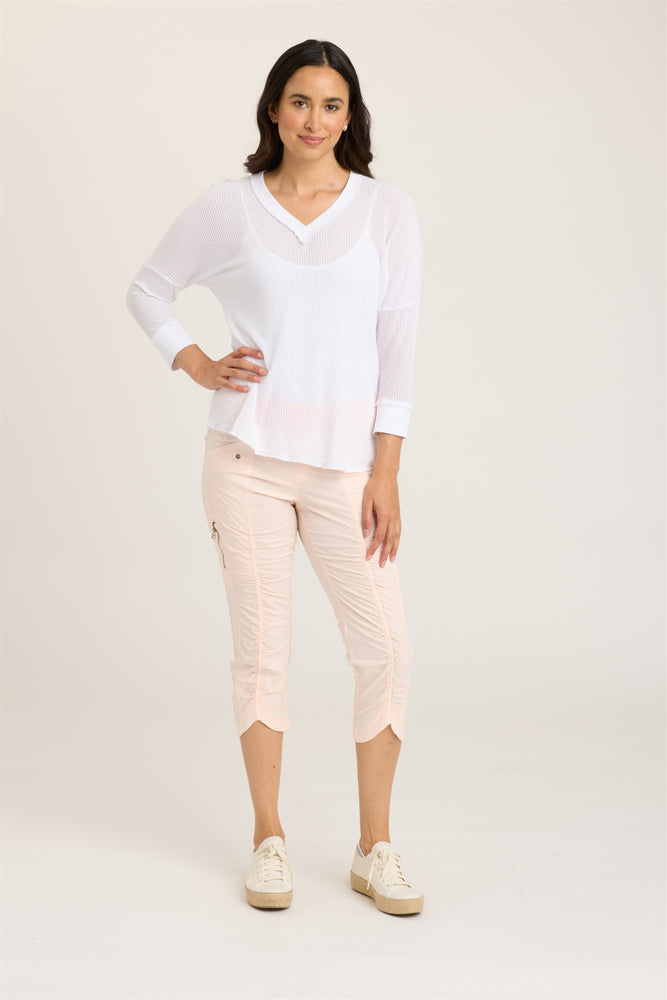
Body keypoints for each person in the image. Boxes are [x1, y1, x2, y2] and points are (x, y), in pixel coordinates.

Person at [126, 38, 423, 916]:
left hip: (346, 474)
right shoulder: (231, 206)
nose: (314, 120)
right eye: (299, 101)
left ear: (350, 116)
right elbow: (147, 289)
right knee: (262, 653)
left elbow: (397, 349)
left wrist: (386, 469)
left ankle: (374, 847)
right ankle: (269, 838)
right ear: (272, 109)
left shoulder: (385, 211)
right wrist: (194, 361)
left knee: (386, 649)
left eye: (331, 105)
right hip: (245, 462)